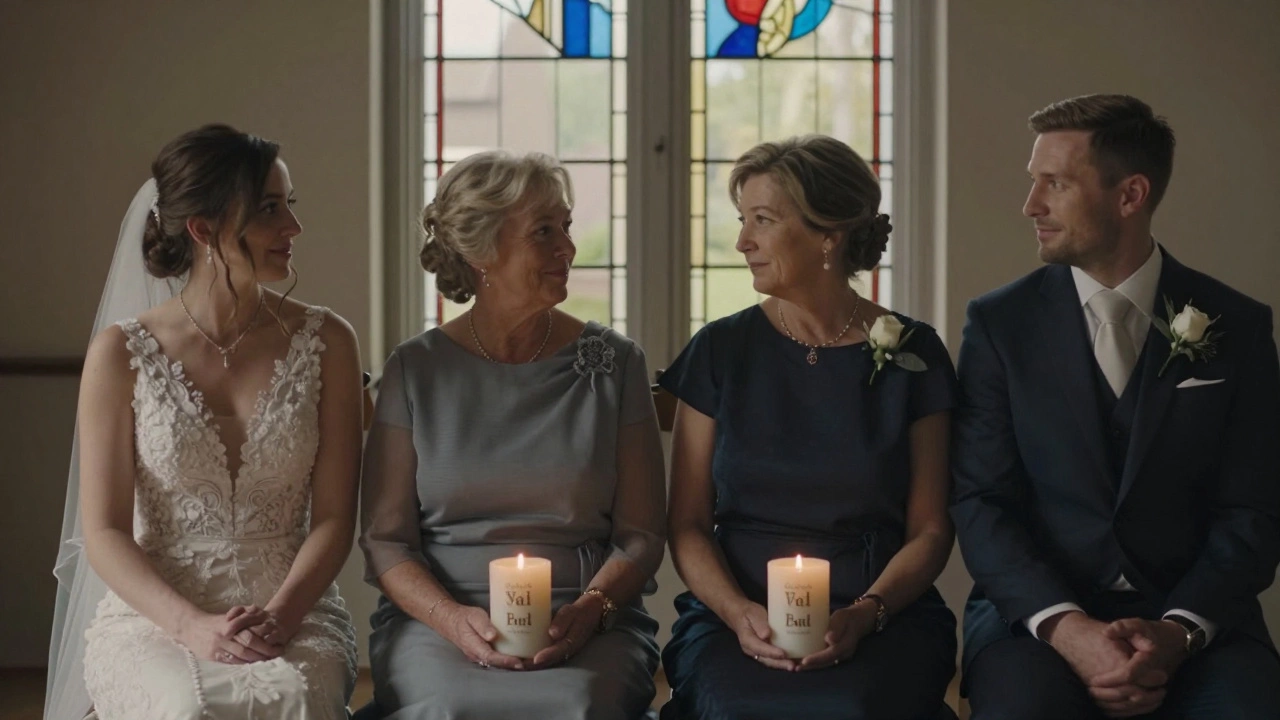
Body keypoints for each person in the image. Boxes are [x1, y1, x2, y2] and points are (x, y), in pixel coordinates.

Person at [951, 94, 1280, 719]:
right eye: (1033, 182)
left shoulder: (1237, 324)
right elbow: (981, 501)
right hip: (1036, 623)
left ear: (1130, 195)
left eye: (1055, 184)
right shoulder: (998, 325)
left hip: (1200, 621)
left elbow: (1254, 510)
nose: (1031, 206)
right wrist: (1068, 628)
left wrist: (1179, 630)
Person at [45, 125, 361, 720]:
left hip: (293, 607)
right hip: (156, 612)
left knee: (292, 697)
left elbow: (336, 518)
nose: (293, 228)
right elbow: (106, 533)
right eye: (270, 209)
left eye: (289, 206)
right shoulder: (121, 354)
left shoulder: (329, 341)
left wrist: (282, 616)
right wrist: (192, 626)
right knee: (184, 705)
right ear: (203, 228)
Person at [658, 135, 958, 720]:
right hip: (736, 612)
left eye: (763, 221)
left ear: (829, 234)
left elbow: (929, 531)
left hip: (880, 612)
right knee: (731, 706)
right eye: (743, 220)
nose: (743, 241)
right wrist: (736, 613)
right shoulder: (720, 349)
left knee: (859, 707)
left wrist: (865, 614)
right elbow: (689, 524)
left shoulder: (915, 354)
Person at [358, 150, 666, 719]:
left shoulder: (614, 363)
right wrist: (452, 619)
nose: (568, 248)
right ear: (482, 253)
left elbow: (642, 535)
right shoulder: (414, 369)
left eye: (567, 227)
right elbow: (385, 541)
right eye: (544, 231)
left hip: (586, 615)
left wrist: (593, 608)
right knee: (448, 707)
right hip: (441, 621)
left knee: (581, 704)